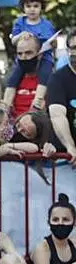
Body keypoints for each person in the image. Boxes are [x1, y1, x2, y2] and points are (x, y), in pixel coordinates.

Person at [6, 0, 56, 110]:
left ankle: (37, 101)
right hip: (23, 58)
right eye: (28, 6)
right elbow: (13, 41)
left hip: (44, 57)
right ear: (23, 7)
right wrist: (20, 35)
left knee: (45, 75)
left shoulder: (47, 25)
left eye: (35, 6)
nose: (32, 9)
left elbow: (52, 42)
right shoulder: (20, 22)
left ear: (41, 7)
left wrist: (53, 43)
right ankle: (6, 103)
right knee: (13, 77)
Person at [1, 34, 49, 117]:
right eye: (20, 54)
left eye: (28, 53)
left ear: (39, 55)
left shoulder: (51, 80)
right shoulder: (9, 80)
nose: (23, 57)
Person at [47, 31, 76, 164]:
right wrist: (71, 147)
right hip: (67, 160)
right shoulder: (58, 79)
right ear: (68, 50)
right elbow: (57, 115)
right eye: (74, 47)